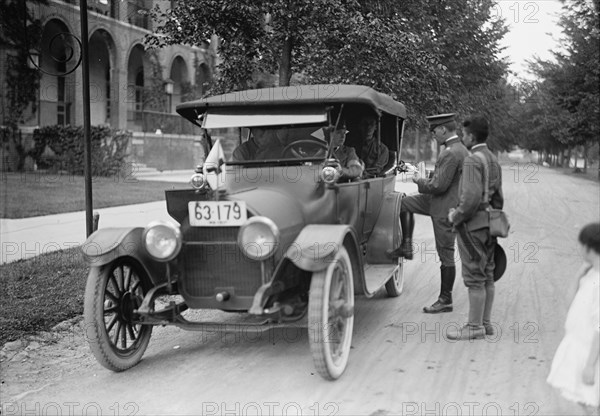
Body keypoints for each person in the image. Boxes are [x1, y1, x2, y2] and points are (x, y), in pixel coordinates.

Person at [393, 113, 469, 314]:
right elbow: (444, 179)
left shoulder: (450, 153)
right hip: (442, 202)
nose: (433, 135)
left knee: (446, 254)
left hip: (444, 207)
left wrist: (418, 180)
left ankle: (446, 299)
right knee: (403, 203)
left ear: (443, 129)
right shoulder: (457, 150)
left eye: (434, 131)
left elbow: (438, 185)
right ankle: (406, 245)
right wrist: (421, 174)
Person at [447, 114, 503, 340]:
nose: (462, 137)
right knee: (487, 274)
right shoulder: (492, 158)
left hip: (472, 227)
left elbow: (469, 199)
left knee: (474, 277)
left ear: (471, 136)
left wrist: (456, 216)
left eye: (464, 134)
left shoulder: (472, 160)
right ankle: (485, 323)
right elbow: (498, 197)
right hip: (490, 223)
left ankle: (473, 327)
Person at [547, 223, 600, 408]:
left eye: (581, 245)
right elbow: (571, 305)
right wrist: (578, 276)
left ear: (589, 247)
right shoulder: (590, 274)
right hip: (579, 344)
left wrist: (591, 364)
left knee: (590, 400)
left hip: (591, 351)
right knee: (585, 400)